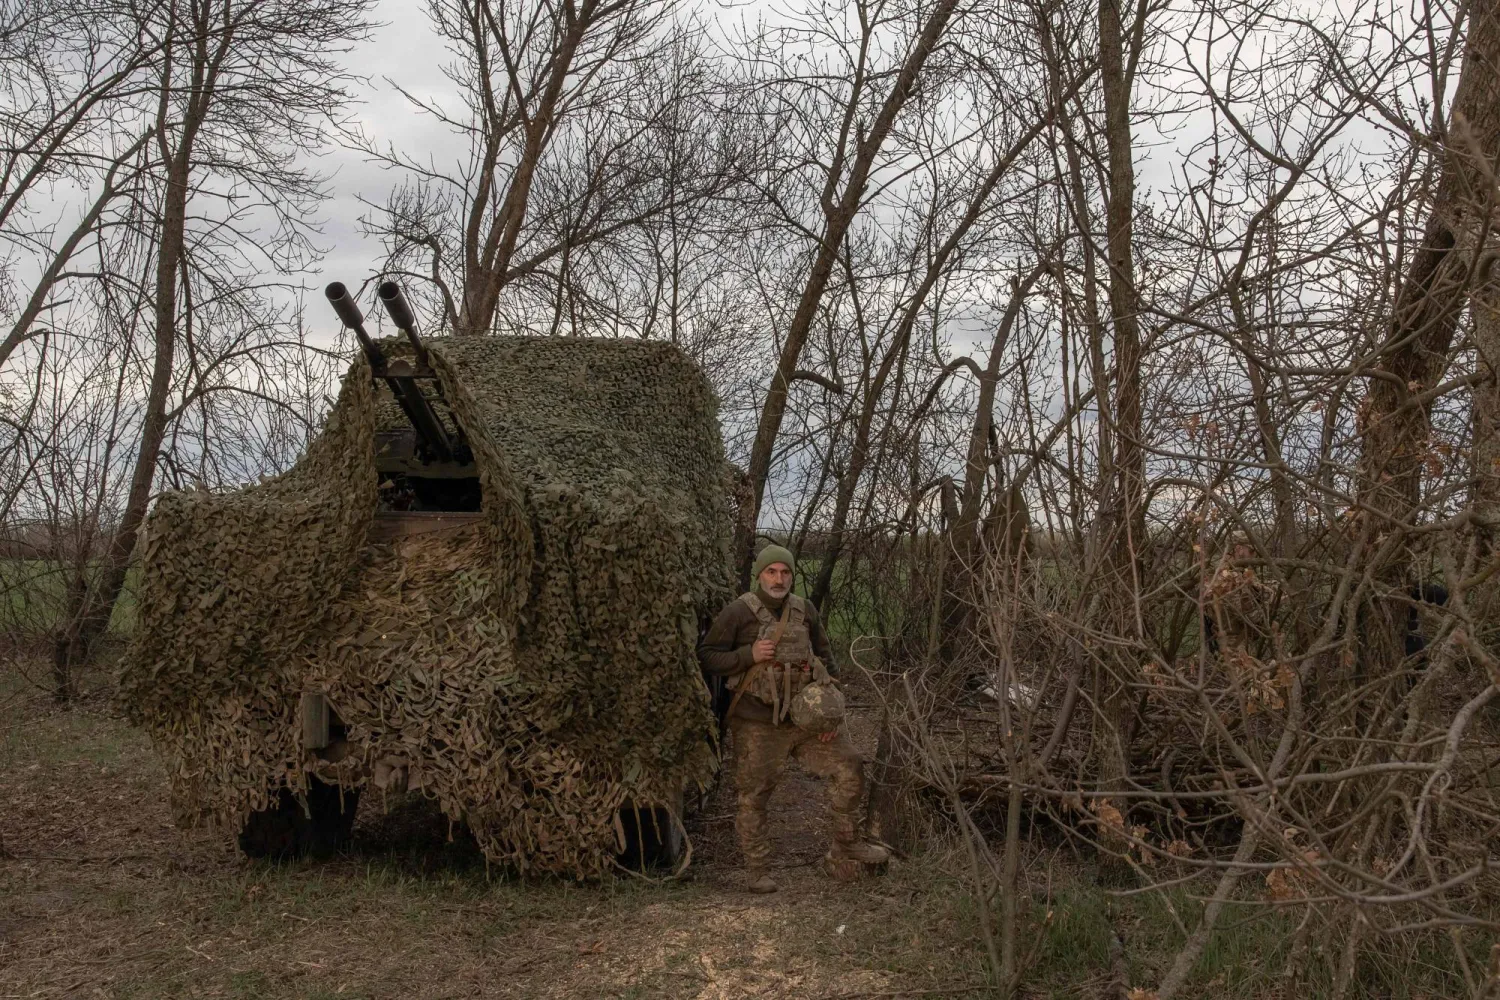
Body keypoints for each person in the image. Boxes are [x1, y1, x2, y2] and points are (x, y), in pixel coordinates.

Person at [698, 544, 889, 893]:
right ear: (760, 574)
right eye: (772, 571)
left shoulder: (805, 610)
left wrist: (829, 716)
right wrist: (748, 654)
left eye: (785, 572)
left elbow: (827, 659)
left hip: (804, 723)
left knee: (850, 765)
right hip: (756, 723)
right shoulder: (739, 612)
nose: (779, 578)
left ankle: (845, 845)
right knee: (753, 794)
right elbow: (708, 656)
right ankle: (757, 869)